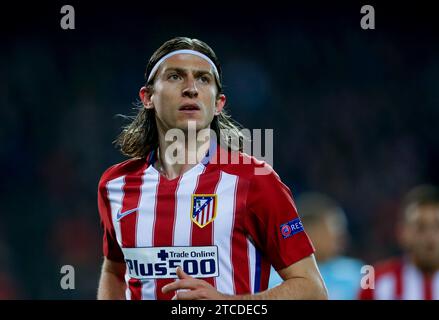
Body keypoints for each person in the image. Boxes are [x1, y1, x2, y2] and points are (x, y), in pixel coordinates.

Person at [96, 37, 327, 300]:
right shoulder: (116, 184)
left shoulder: (255, 180)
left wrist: (227, 304)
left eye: (203, 79)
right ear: (147, 97)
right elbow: (114, 271)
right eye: (175, 76)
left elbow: (312, 289)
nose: (191, 88)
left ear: (218, 104)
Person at [268, 192, 364, 299]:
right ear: (310, 232)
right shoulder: (275, 281)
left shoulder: (356, 273)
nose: (341, 237)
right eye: (335, 229)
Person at [358, 185, 439, 300]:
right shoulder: (376, 281)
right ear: (402, 232)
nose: (430, 237)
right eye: (420, 227)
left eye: (437, 226)